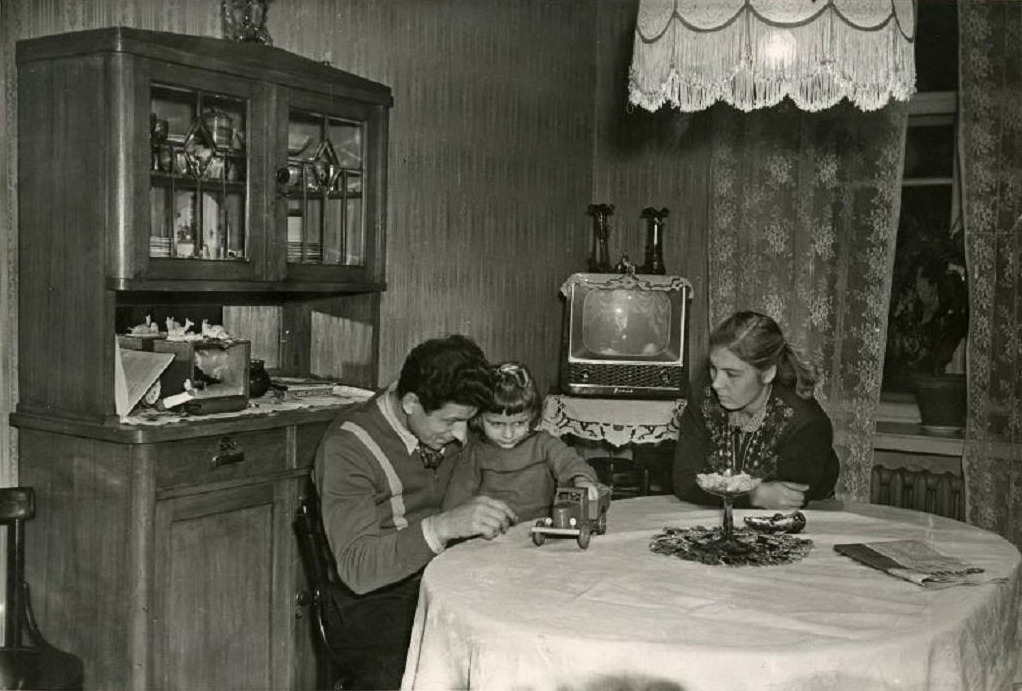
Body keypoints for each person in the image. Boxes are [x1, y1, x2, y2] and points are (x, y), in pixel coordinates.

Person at [313, 334, 518, 690]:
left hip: (437, 578)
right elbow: (358, 569)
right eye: (449, 421)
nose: (460, 437)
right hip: (372, 601)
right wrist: (442, 528)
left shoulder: (438, 423)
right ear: (410, 403)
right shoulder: (347, 447)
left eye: (466, 422)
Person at [673, 311, 840, 510]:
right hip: (721, 513)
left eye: (732, 374)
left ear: (768, 373)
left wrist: (749, 496)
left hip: (811, 519)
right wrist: (754, 496)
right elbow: (684, 482)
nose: (716, 383)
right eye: (713, 368)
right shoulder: (703, 396)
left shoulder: (807, 423)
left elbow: (787, 499)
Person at [444, 361, 599, 521]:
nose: (508, 434)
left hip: (542, 527)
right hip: (493, 535)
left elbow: (570, 462)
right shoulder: (474, 453)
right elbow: (456, 503)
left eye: (519, 423)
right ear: (478, 418)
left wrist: (581, 480)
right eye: (497, 424)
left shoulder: (544, 444)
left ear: (531, 416)